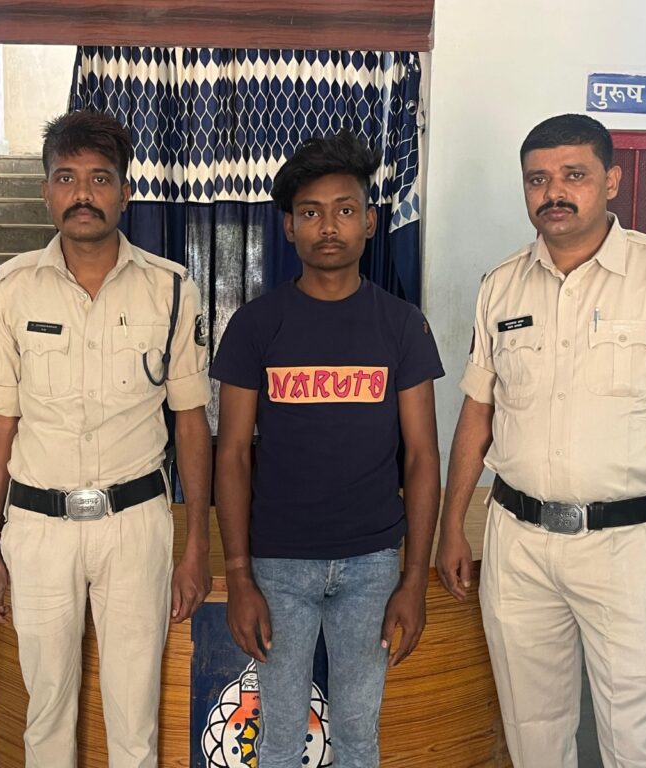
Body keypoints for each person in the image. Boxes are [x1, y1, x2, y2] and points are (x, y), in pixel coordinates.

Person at [436, 113, 646, 768]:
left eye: (574, 175)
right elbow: (477, 413)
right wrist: (452, 525)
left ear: (612, 181)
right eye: (537, 179)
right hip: (518, 544)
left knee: (636, 743)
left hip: (623, 546)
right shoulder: (500, 285)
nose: (555, 192)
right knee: (533, 735)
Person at [0, 109, 212, 768]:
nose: (83, 193)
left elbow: (191, 420)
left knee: (135, 719)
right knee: (46, 714)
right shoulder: (11, 289)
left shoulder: (170, 288)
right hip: (37, 528)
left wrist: (195, 541)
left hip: (135, 525)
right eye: (67, 178)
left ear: (126, 192)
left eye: (100, 178)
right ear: (47, 191)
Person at [211, 130, 444, 768]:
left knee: (359, 736)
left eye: (345, 209)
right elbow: (232, 454)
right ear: (289, 227)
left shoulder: (402, 325)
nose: (329, 226)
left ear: (369, 221)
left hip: (373, 563)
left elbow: (423, 457)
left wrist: (414, 579)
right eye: (311, 213)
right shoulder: (256, 325)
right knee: (280, 740)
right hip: (277, 564)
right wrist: (239, 575)